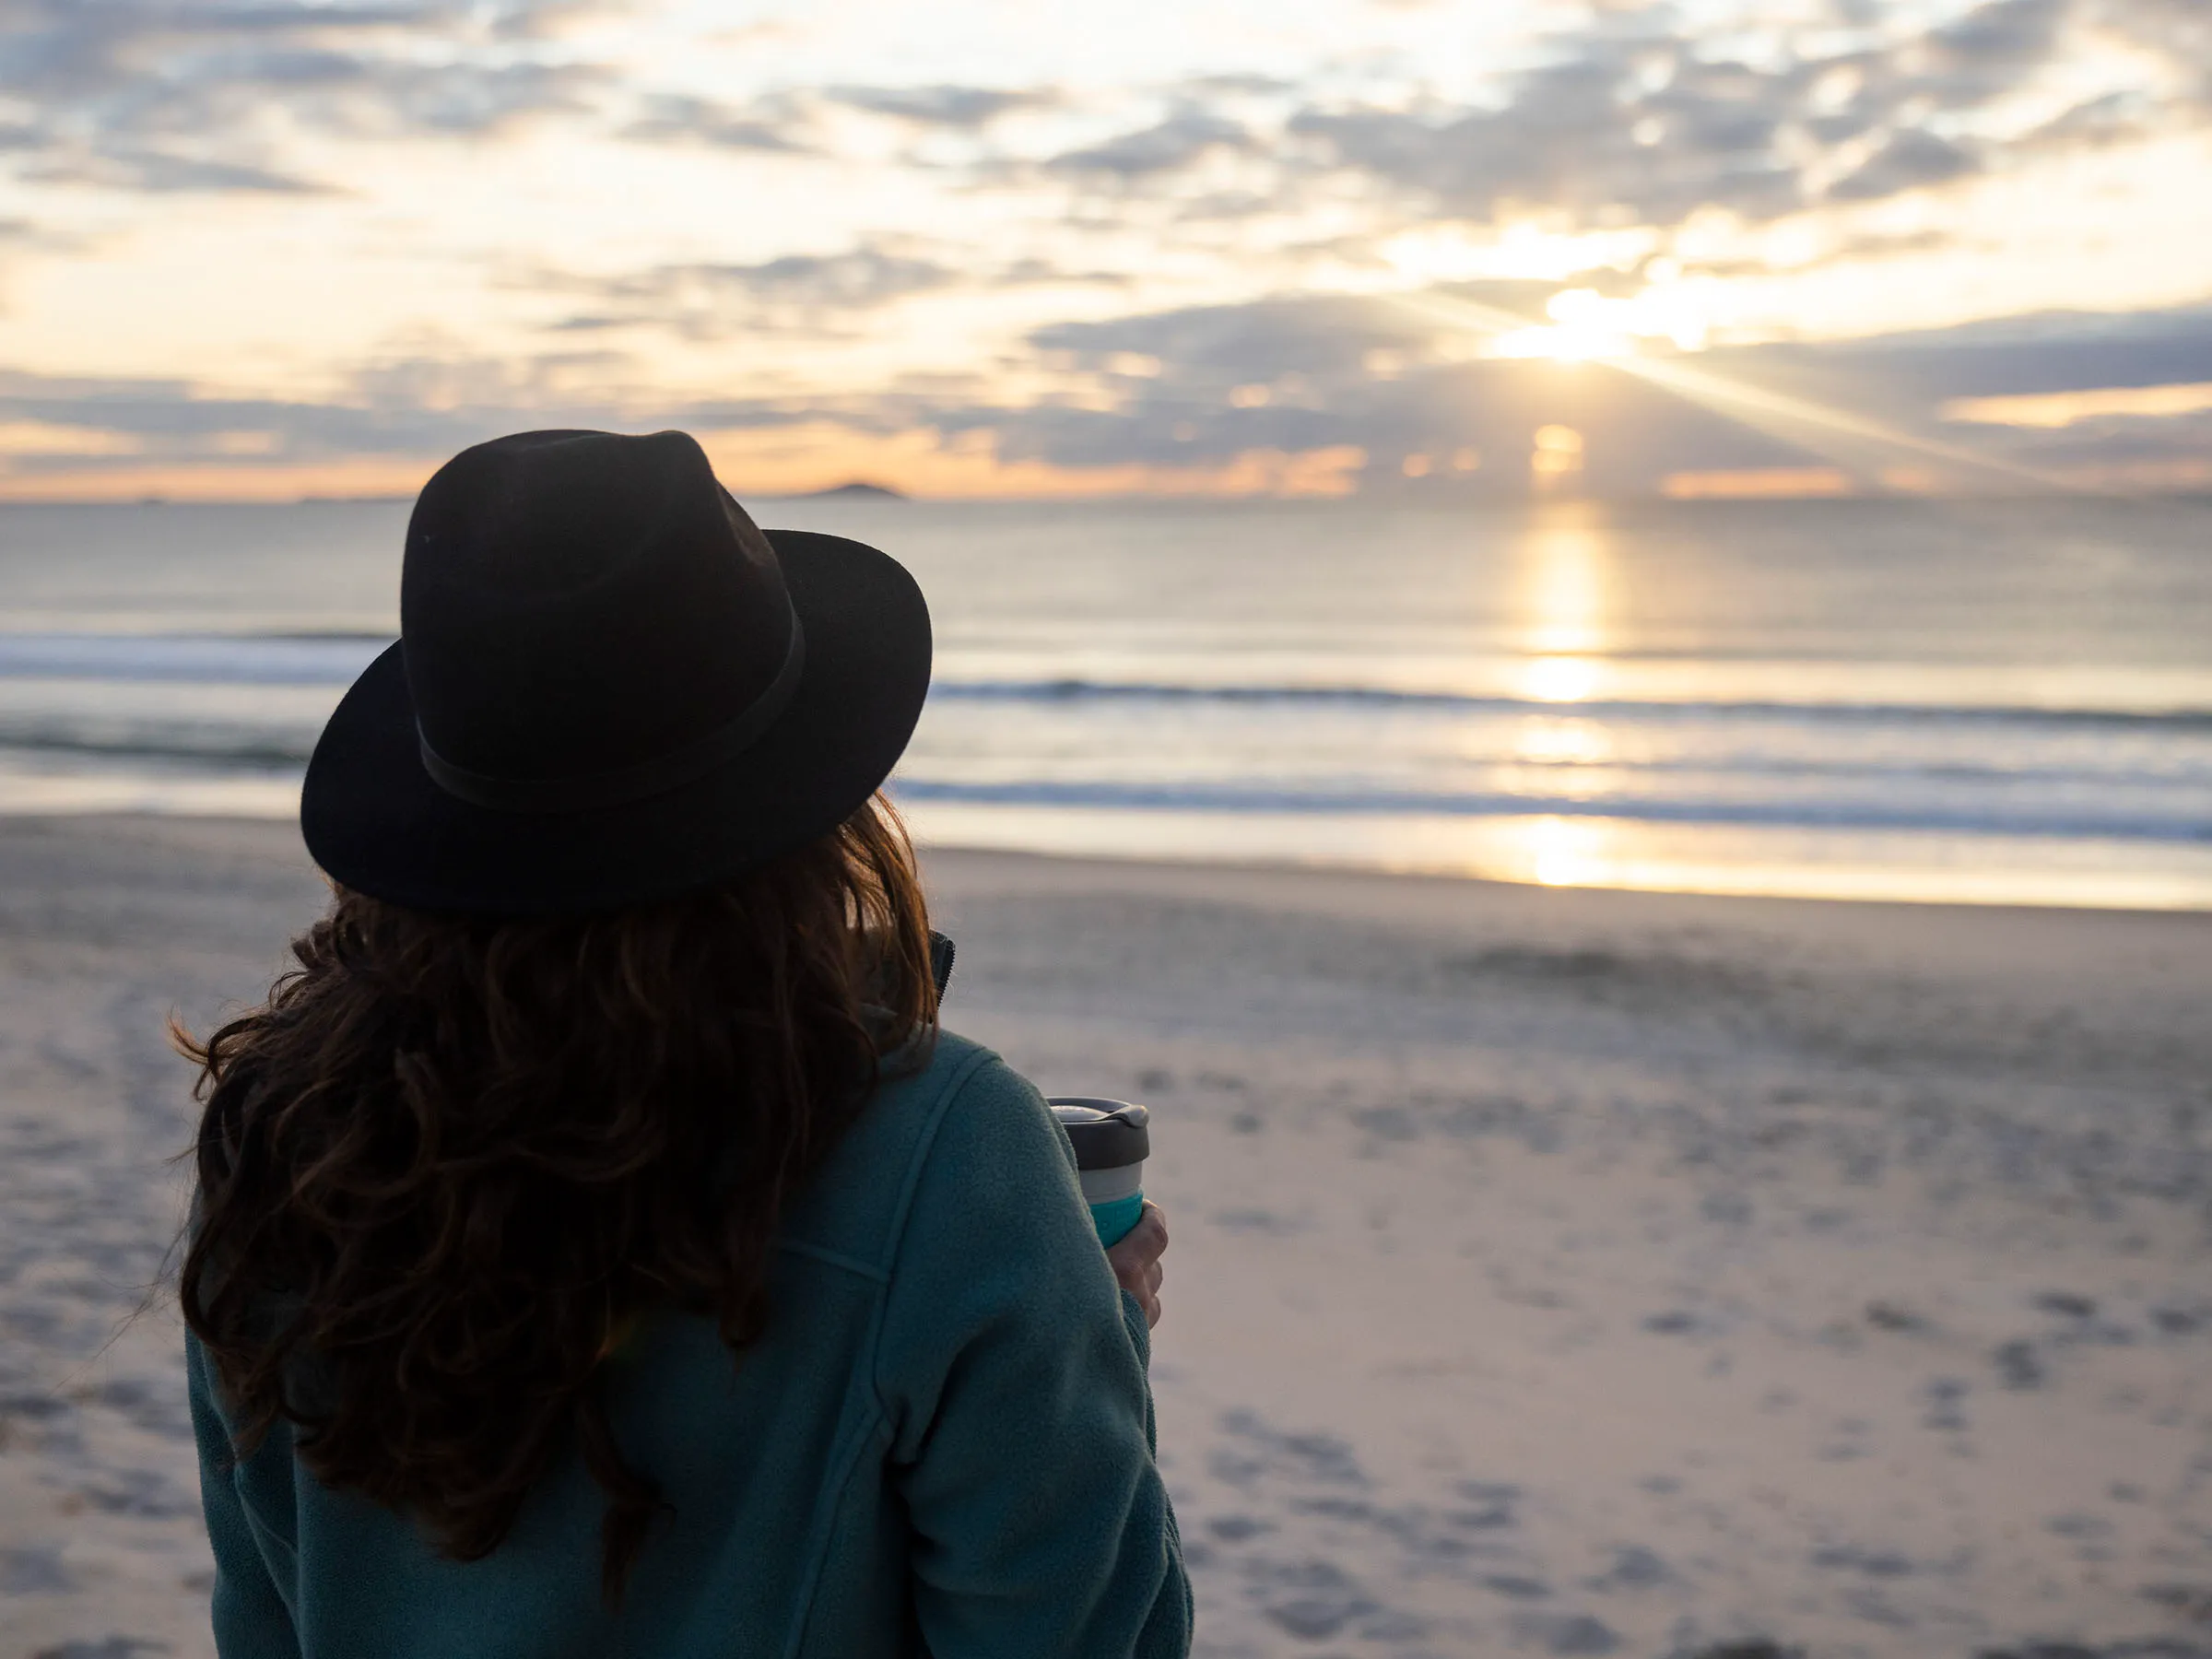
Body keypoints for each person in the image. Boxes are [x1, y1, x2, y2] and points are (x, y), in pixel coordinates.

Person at [175, 429, 1190, 1658]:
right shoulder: (943, 1153)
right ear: (810, 799)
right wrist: (1104, 1323)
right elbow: (1080, 1636)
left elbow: (267, 1622)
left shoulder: (287, 1148)